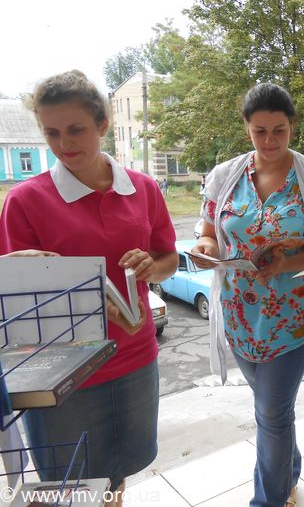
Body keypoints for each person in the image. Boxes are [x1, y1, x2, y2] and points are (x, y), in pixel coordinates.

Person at [0, 70, 178, 507]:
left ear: (102, 125)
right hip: (61, 375)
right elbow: (17, 302)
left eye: (76, 129)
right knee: (70, 486)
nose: (64, 144)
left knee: (117, 474)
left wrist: (150, 267)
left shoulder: (143, 188)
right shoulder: (25, 201)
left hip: (134, 358)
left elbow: (168, 260)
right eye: (51, 133)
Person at [190, 82, 304, 507]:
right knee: (273, 411)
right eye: (259, 131)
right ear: (246, 127)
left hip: (293, 321)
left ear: (292, 126)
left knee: (271, 414)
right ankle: (290, 473)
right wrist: (207, 249)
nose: (269, 141)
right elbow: (209, 232)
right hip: (240, 319)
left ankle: (268, 499)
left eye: (279, 130)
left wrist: (287, 261)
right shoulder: (225, 176)